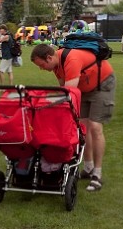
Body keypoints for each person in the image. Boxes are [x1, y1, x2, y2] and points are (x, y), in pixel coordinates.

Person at [31, 43, 115, 193]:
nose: (41, 68)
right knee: (82, 128)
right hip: (84, 87)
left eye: (41, 65)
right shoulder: (57, 65)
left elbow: (68, 93)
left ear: (49, 57)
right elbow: (63, 89)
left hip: (102, 84)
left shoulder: (71, 60)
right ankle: (88, 167)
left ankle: (97, 173)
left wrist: (45, 103)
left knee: (95, 126)